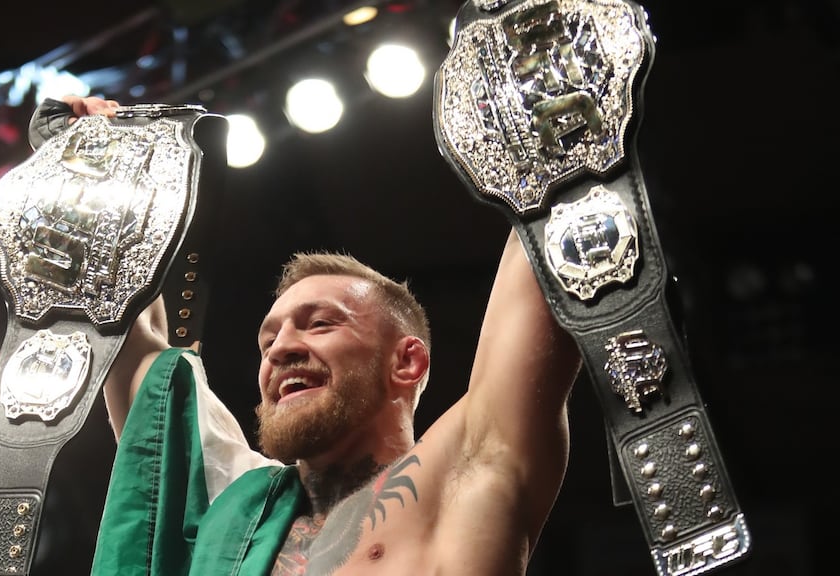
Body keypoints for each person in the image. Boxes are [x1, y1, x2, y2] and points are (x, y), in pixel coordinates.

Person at [56, 95, 582, 575]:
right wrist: (102, 175)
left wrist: (539, 82)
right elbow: (140, 356)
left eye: (320, 323)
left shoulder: (464, 474)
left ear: (408, 362)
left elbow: (550, 217)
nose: (281, 348)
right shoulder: (235, 511)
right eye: (268, 340)